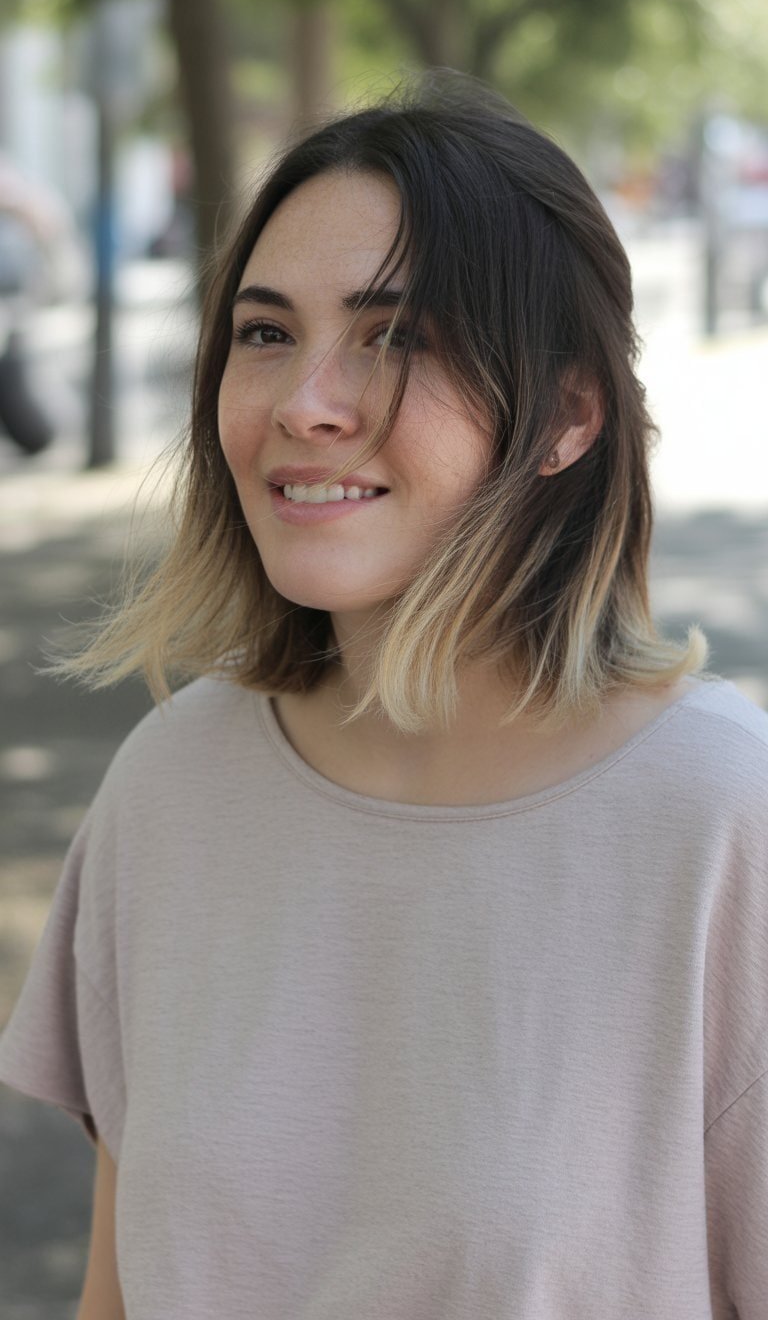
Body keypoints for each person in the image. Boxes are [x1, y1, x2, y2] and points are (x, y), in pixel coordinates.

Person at [0, 72, 766, 1320]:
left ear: (569, 411)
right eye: (265, 333)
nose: (304, 402)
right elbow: (117, 1296)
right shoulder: (172, 786)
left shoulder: (725, 824)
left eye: (396, 334)